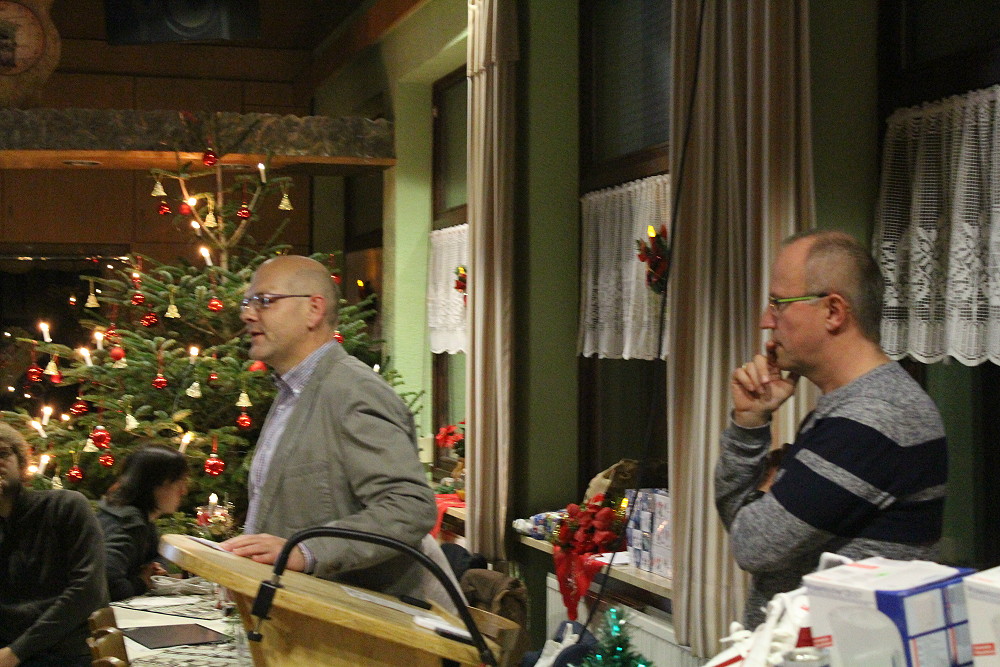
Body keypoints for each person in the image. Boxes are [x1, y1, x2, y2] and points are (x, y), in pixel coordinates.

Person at [715, 230, 947, 628]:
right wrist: (749, 424)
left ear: (834, 312)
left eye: (779, 304)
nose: (766, 321)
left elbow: (753, 546)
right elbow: (746, 531)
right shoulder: (846, 409)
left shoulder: (873, 418)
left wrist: (768, 488)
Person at [221, 255, 459, 612]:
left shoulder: (354, 392)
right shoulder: (293, 391)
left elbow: (408, 507)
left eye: (264, 301)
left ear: (313, 310)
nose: (248, 314)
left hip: (360, 627)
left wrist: (306, 552)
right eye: (247, 303)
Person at [0, 422, 108, 667]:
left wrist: (15, 653)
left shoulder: (66, 506)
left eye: (2, 453)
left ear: (21, 462)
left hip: (64, 652)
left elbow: (88, 591)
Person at [97, 444, 190, 601]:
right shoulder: (127, 526)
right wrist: (142, 582)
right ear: (155, 484)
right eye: (179, 482)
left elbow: (157, 556)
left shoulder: (140, 518)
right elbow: (105, 586)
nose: (184, 491)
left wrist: (156, 568)